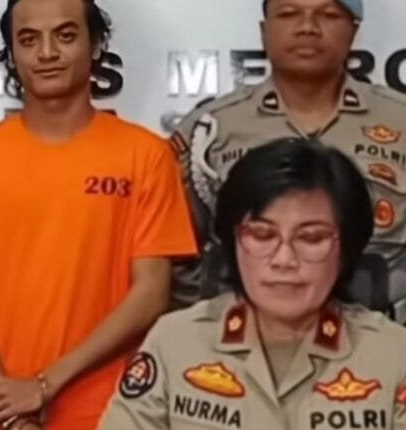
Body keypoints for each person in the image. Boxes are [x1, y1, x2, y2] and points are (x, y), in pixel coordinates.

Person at [0, 0, 197, 428]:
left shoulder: (146, 156)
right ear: (12, 53)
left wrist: (44, 385)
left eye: (65, 36)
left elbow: (150, 294)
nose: (47, 53)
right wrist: (10, 408)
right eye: (28, 40)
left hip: (109, 412)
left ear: (96, 44)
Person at [100, 138, 406, 429]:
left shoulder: (395, 355)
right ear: (232, 241)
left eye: (311, 238)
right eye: (262, 235)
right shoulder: (175, 341)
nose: (284, 259)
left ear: (347, 248)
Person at [171, 0, 406, 323]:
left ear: (354, 33)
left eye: (328, 15)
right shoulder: (211, 128)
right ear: (263, 31)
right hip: (242, 335)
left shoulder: (400, 119)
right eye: (289, 14)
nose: (308, 27)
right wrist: (208, 324)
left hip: (385, 333)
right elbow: (176, 252)